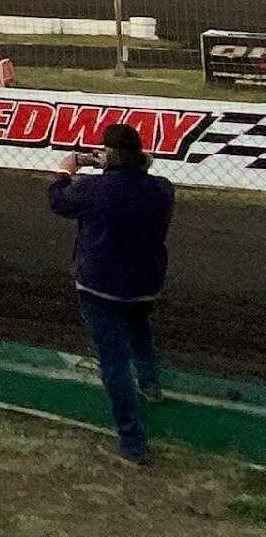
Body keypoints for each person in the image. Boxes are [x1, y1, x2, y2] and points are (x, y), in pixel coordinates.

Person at [49, 123, 175, 466]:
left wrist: (64, 170)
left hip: (100, 285)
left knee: (114, 363)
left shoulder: (91, 188)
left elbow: (58, 202)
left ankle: (133, 441)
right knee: (139, 326)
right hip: (145, 283)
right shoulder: (162, 189)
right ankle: (150, 384)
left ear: (108, 155)